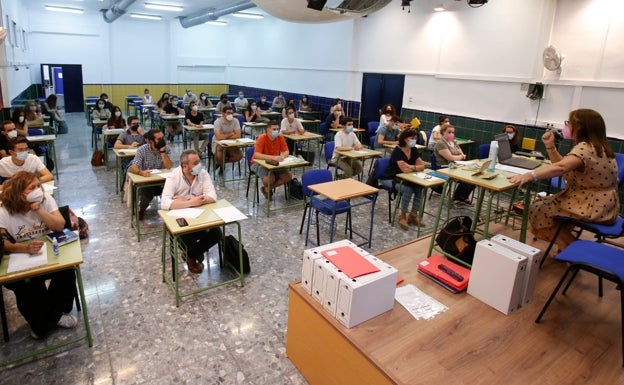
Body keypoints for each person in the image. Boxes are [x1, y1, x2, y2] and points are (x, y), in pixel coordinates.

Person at [509, 109, 619, 252]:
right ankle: (565, 246)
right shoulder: (600, 147)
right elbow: (565, 166)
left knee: (539, 208)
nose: (566, 126)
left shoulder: (586, 148)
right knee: (548, 205)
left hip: (591, 205)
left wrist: (531, 175)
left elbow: (561, 167)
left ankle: (575, 248)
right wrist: (550, 146)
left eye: (569, 123)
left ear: (580, 126)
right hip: (605, 204)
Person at [0, 171, 78, 339]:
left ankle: (53, 314)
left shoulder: (45, 200)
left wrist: (39, 209)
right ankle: (51, 319)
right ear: (19, 192)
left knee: (67, 271)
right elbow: (3, 242)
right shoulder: (4, 209)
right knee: (28, 284)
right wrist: (24, 248)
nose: (37, 190)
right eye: (31, 188)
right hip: (20, 257)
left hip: (49, 253)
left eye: (38, 186)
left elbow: (59, 226)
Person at [161, 150, 220, 274]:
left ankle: (191, 255)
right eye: (196, 163)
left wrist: (185, 200)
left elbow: (213, 196)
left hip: (200, 216)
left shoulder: (203, 174)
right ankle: (193, 256)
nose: (200, 165)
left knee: (217, 233)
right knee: (185, 234)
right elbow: (165, 203)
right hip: (181, 218)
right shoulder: (173, 177)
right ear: (185, 166)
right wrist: (191, 202)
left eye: (199, 161)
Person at [379, 129, 425, 229]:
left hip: (406, 179)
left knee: (420, 187)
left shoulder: (413, 149)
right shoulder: (397, 151)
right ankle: (402, 215)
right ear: (405, 139)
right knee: (408, 189)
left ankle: (413, 215)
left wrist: (411, 167)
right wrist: (414, 167)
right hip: (391, 178)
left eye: (416, 138)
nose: (414, 140)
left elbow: (422, 166)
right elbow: (405, 170)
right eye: (412, 138)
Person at [128, 130, 173, 220]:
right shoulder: (142, 149)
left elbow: (169, 166)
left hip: (161, 179)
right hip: (146, 179)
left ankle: (172, 209)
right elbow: (133, 167)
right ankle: (142, 209)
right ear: (151, 141)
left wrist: (162, 152)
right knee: (148, 189)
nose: (162, 141)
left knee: (173, 186)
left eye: (163, 138)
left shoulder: (166, 149)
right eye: (159, 139)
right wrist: (141, 172)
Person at [433, 124, 474, 205]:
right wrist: (460, 156)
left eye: (453, 132)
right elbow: (450, 158)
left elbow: (462, 154)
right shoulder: (440, 143)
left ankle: (464, 197)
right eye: (449, 132)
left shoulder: (453, 142)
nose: (451, 134)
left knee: (473, 178)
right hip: (444, 168)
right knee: (466, 179)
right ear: (443, 132)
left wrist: (460, 156)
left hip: (455, 166)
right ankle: (457, 198)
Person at [251, 121, 292, 199]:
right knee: (269, 179)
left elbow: (286, 151)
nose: (276, 131)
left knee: (288, 176)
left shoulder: (280, 137)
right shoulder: (262, 138)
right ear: (268, 130)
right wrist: (273, 157)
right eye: (274, 129)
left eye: (277, 129)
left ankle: (267, 189)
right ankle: (268, 187)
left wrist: (283, 156)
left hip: (274, 163)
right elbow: (256, 155)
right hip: (258, 163)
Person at [213, 106, 243, 172]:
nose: (230, 115)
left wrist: (224, 135)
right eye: (228, 113)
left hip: (232, 142)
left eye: (232, 113)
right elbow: (219, 137)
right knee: (219, 155)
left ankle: (220, 163)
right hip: (218, 142)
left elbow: (238, 135)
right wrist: (231, 134)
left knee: (239, 156)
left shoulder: (235, 121)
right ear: (223, 114)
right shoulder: (217, 122)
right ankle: (221, 163)